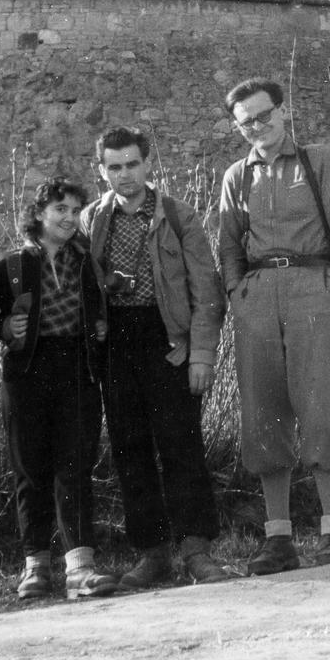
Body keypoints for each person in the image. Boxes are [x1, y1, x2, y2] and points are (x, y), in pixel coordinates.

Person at [218, 78, 330, 575]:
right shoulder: (237, 176)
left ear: (284, 111)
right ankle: (277, 538)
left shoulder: (317, 160)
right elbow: (229, 244)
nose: (257, 127)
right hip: (258, 296)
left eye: (264, 116)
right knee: (263, 408)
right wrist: (239, 294)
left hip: (310, 287)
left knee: (323, 400)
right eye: (247, 122)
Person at [81, 126, 228, 590]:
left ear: (148, 164)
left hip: (170, 344)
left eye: (132, 164)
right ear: (102, 170)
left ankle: (197, 551)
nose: (124, 175)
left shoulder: (179, 216)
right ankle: (152, 554)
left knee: (181, 447)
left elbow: (206, 291)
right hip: (117, 346)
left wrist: (201, 355)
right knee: (130, 450)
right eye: (114, 167)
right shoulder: (92, 220)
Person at [0, 179, 117, 603]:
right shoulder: (13, 265)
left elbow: (100, 307)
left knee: (76, 466)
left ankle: (80, 569)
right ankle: (36, 567)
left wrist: (98, 326)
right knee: (30, 469)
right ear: (39, 214)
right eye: (59, 210)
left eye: (75, 211)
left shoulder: (87, 262)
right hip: (27, 374)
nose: (68, 218)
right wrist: (2, 328)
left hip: (78, 371)